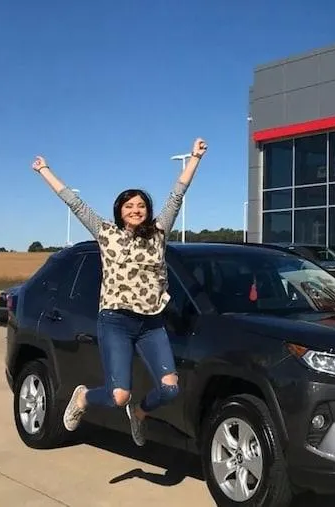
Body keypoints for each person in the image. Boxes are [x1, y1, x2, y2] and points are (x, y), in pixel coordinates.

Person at [30, 138, 207, 447]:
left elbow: (178, 193)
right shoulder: (106, 233)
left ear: (148, 210)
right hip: (115, 321)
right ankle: (83, 398)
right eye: (129, 206)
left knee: (170, 389)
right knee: (118, 395)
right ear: (120, 211)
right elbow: (74, 203)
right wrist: (45, 170)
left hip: (151, 323)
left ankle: (139, 413)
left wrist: (195, 158)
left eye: (141, 206)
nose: (136, 210)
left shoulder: (159, 233)